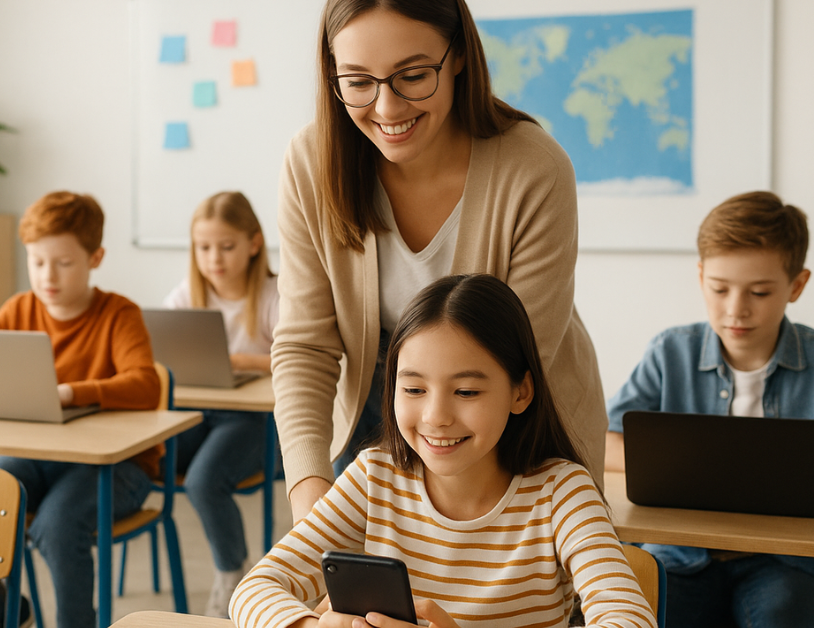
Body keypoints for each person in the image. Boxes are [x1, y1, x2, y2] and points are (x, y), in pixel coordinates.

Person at [273, 0, 609, 523]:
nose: (386, 109)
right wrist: (309, 499)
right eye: (358, 82)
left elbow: (512, 364)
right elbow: (304, 345)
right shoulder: (310, 161)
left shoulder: (534, 168)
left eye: (412, 75)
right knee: (363, 598)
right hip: (372, 396)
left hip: (509, 410)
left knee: (508, 600)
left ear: (458, 57)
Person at [231, 274, 654, 628]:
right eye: (413, 389)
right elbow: (254, 589)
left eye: (466, 391)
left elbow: (629, 619)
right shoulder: (374, 477)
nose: (436, 416)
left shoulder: (560, 492)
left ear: (521, 392)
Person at [605, 191, 814, 628]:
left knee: (783, 610)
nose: (736, 309)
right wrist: (672, 471)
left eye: (759, 291)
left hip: (782, 562)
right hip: (680, 554)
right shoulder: (670, 352)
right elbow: (605, 437)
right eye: (720, 289)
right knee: (647, 606)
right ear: (701, 277)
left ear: (797, 286)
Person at [0, 191, 161, 628]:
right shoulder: (20, 309)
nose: (47, 276)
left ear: (95, 258)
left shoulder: (118, 314)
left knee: (56, 525)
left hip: (119, 468)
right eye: (37, 262)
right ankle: (1, 616)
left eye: (63, 263)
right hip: (39, 456)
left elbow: (146, 384)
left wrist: (70, 392)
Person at [163, 191, 279, 617]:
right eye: (204, 247)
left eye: (226, 247)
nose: (214, 258)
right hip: (197, 414)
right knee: (146, 457)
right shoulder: (185, 295)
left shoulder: (273, 293)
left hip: (254, 423)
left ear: (252, 243)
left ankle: (233, 574)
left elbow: (296, 357)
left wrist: (237, 362)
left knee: (202, 481)